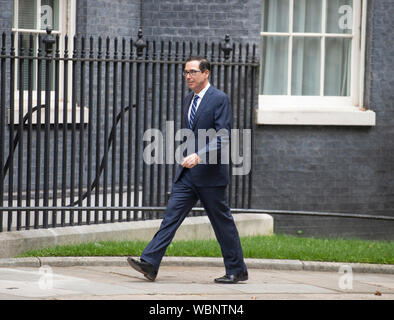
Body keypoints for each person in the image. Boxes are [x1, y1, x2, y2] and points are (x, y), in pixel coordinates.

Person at [127, 56, 248, 284]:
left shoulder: (219, 99)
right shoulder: (188, 100)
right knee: (170, 218)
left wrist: (200, 155)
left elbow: (223, 135)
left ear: (206, 73)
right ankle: (150, 263)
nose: (188, 76)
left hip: (211, 175)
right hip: (188, 175)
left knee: (222, 223)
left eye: (192, 72)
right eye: (185, 72)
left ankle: (237, 269)